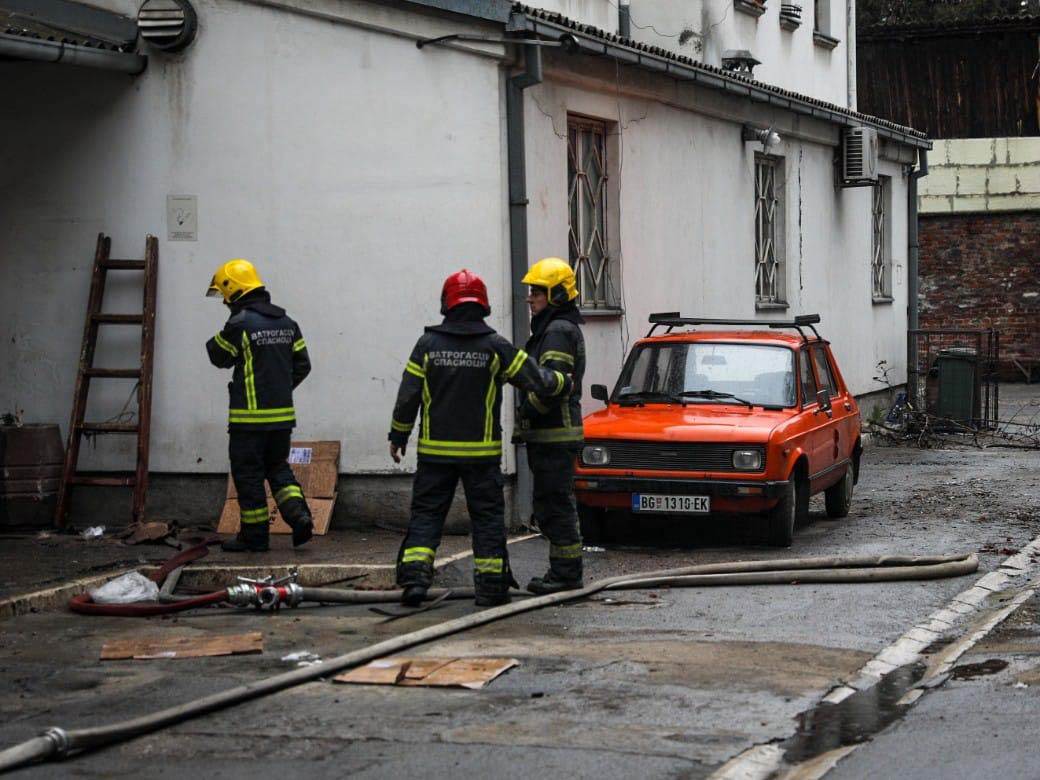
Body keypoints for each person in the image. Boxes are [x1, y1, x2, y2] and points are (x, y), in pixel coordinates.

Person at [388, 269, 572, 607]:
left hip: (435, 455)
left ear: (447, 303)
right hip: (481, 456)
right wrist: (564, 382)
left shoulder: (427, 345)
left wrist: (398, 434)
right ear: (483, 305)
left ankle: (414, 582)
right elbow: (537, 380)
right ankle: (490, 588)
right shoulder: (495, 346)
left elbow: (408, 394)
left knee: (427, 516)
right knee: (486, 520)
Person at [205, 259, 314, 552]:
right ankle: (299, 515)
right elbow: (303, 365)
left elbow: (218, 356)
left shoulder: (240, 324)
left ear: (233, 291)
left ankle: (254, 537)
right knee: (278, 468)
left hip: (248, 421)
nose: (225, 303)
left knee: (248, 474)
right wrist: (279, 389)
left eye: (225, 296)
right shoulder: (287, 323)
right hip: (281, 420)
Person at [516, 257, 586, 594]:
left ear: (557, 295)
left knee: (555, 505)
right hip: (551, 436)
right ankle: (563, 571)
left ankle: (566, 574)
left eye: (537, 293)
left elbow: (552, 384)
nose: (530, 299)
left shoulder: (557, 331)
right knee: (552, 504)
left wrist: (525, 410)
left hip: (554, 435)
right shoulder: (553, 328)